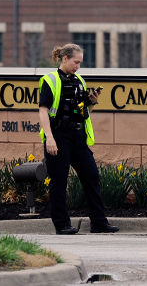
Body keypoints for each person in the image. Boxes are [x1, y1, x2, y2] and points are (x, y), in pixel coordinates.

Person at [38, 43, 119, 235]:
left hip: (77, 137)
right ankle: (62, 224)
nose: (78, 67)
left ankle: (99, 223)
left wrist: (92, 102)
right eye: (76, 62)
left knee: (92, 176)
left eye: (80, 63)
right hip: (58, 136)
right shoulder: (50, 80)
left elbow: (84, 113)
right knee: (59, 181)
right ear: (64, 58)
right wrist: (49, 138)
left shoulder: (80, 81)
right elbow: (43, 111)